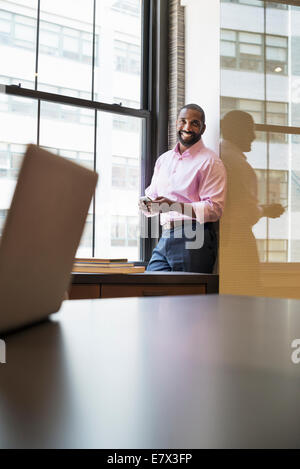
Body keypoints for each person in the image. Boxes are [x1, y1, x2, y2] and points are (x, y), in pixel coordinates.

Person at [139, 103, 227, 272]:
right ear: (176, 123)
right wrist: (146, 204)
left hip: (194, 236)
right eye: (183, 121)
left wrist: (173, 205)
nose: (187, 127)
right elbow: (152, 199)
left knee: (189, 297)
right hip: (165, 235)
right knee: (152, 291)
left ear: (203, 128)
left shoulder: (210, 161)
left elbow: (214, 209)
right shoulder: (163, 160)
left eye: (195, 123)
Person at [219, 110, 285, 295]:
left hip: (218, 242)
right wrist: (265, 210)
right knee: (245, 298)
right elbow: (245, 213)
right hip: (237, 242)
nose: (254, 136)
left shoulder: (216, 156)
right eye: (250, 130)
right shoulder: (238, 165)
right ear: (237, 131)